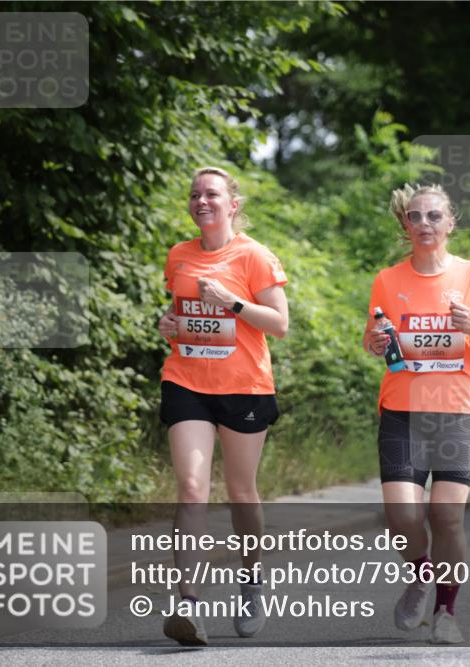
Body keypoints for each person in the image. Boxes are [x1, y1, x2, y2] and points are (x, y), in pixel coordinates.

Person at [363, 184, 470, 644]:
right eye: (414, 216)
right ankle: (422, 572)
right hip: (403, 407)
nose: (423, 223)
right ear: (405, 226)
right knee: (402, 514)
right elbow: (376, 337)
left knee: (446, 515)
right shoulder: (388, 279)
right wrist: (373, 342)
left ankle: (447, 611)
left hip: (459, 408)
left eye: (433, 216)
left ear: (451, 223)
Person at [157, 166, 289, 645]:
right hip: (186, 379)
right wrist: (168, 324)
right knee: (192, 489)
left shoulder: (254, 256)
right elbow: (180, 311)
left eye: (211, 194)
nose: (201, 201)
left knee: (241, 492)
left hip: (244, 388)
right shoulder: (179, 255)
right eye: (194, 194)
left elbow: (279, 324)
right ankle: (187, 604)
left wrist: (232, 302)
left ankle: (252, 579)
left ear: (232, 204)